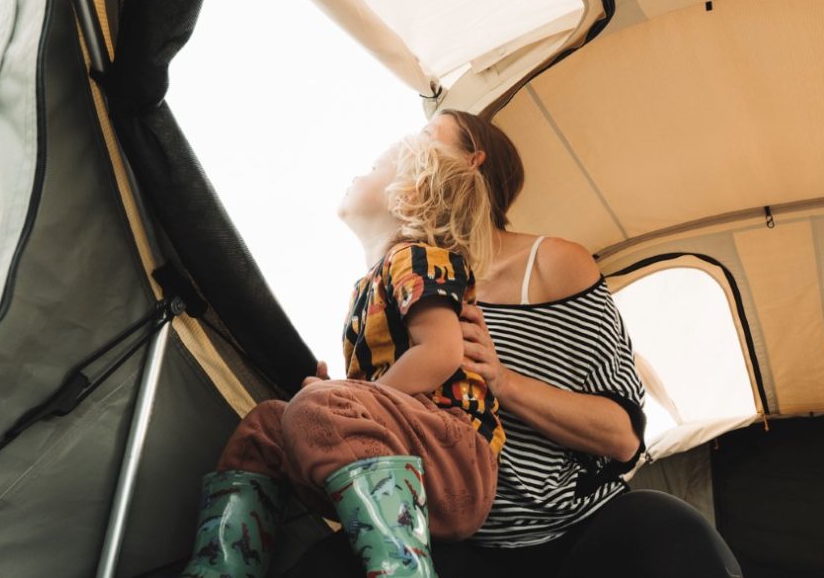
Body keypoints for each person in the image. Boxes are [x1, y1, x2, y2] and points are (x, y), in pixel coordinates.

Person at [283, 111, 740, 577]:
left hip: (572, 531)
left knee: (667, 527)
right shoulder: (404, 281)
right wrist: (340, 399)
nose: (404, 150)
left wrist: (502, 380)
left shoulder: (554, 264)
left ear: (471, 160)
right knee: (325, 565)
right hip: (449, 536)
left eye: (424, 137)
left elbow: (622, 437)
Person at [176, 131, 504, 578]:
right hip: (412, 459)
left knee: (319, 404)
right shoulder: (370, 283)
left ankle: (401, 570)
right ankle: (224, 567)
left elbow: (442, 353)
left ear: (409, 194)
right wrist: (341, 401)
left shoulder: (418, 258)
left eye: (374, 168)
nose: (358, 174)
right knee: (267, 424)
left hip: (455, 465)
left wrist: (346, 398)